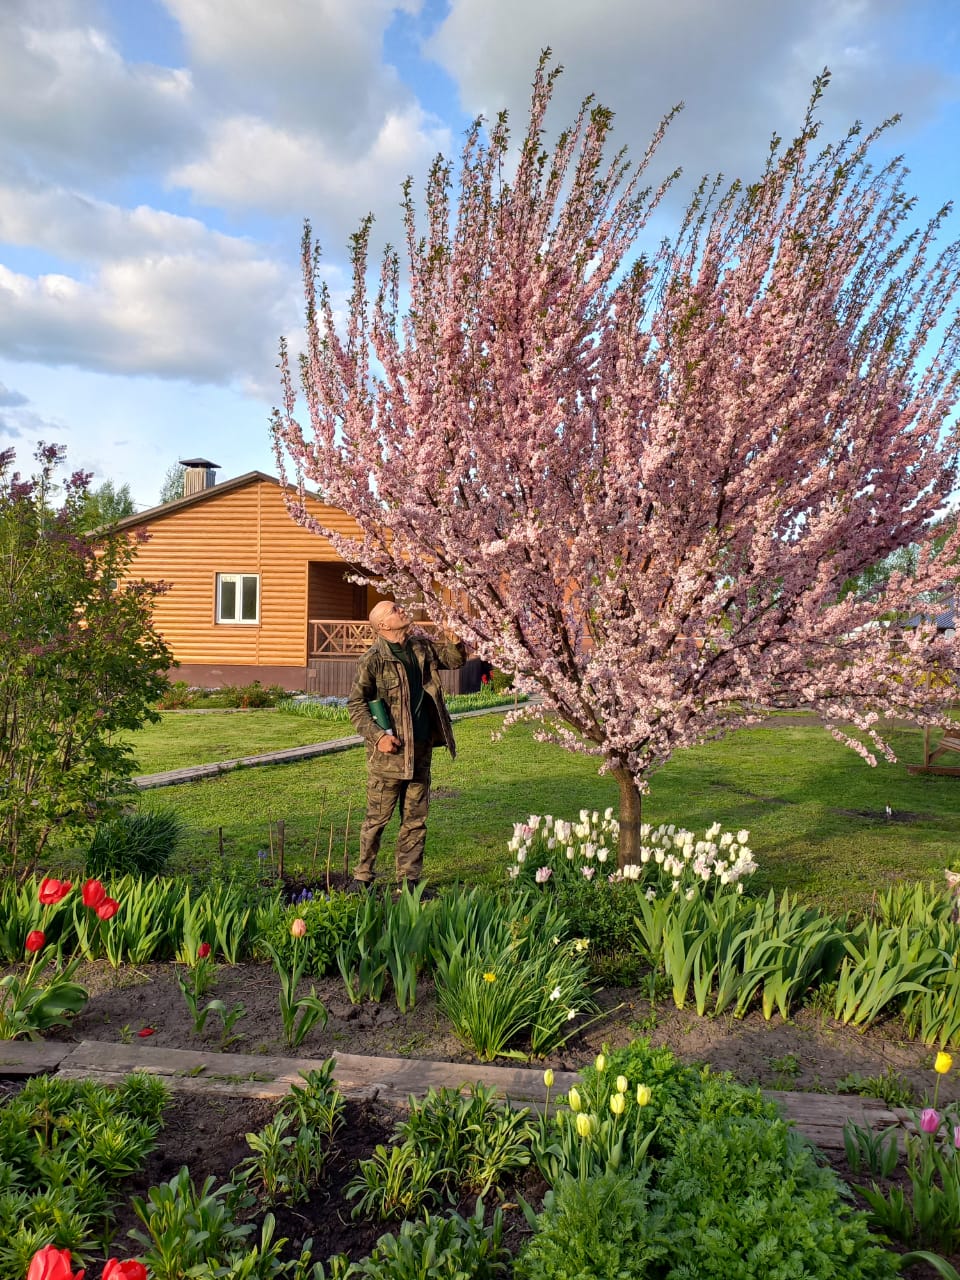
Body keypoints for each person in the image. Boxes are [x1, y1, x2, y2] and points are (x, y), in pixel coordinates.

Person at [347, 601, 465, 888]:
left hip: (421, 749)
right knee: (377, 820)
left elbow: (455, 659)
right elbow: (356, 705)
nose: (402, 609)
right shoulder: (373, 659)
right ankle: (362, 876)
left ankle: (409, 880)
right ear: (383, 626)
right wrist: (379, 736)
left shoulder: (420, 647)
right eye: (394, 609)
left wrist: (454, 634)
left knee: (415, 820)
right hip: (390, 756)